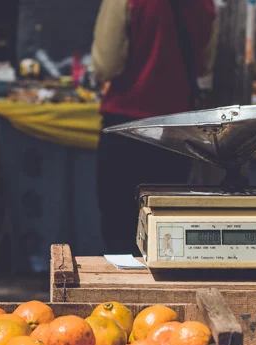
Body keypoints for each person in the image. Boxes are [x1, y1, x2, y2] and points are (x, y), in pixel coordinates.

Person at [91, 0, 217, 254]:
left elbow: (106, 64)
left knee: (121, 230)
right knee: (165, 231)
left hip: (127, 127)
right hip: (176, 131)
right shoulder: (205, 4)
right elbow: (204, 65)